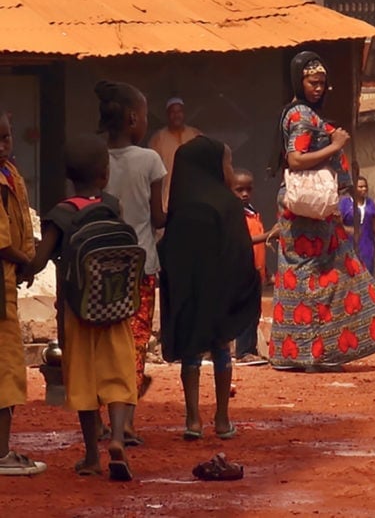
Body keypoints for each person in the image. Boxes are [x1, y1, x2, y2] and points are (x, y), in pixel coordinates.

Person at [270, 51, 375, 369]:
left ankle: (307, 352)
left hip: (310, 210)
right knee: (322, 277)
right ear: (298, 81)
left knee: (308, 277)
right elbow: (295, 160)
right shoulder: (302, 115)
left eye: (322, 83)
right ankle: (314, 352)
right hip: (309, 211)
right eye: (312, 82)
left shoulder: (297, 113)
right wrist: (335, 145)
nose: (318, 88)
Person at [28, 135, 136, 479]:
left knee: (84, 382)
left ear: (68, 177)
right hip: (116, 308)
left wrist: (23, 267)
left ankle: (92, 456)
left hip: (77, 312)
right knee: (118, 375)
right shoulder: (112, 205)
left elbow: (40, 260)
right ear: (104, 175)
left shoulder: (61, 213)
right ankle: (118, 438)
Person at [160, 137, 262, 439]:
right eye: (227, 163)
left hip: (190, 293)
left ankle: (192, 419)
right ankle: (221, 418)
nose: (229, 170)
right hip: (220, 292)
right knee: (221, 350)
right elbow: (239, 249)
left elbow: (171, 251)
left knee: (191, 352)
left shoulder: (181, 204)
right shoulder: (227, 203)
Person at [96, 80, 166, 444]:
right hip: (140, 265)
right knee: (135, 341)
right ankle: (126, 423)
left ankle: (102, 421)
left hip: (100, 264)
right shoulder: (150, 160)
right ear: (133, 117)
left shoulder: (95, 157)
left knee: (103, 342)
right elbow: (157, 218)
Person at [0, 110, 46, 476]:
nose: (3, 145)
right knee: (7, 368)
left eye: (7, 137)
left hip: (10, 279)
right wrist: (28, 262)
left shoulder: (9, 174)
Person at [232, 168, 279, 365]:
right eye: (239, 189)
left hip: (254, 271)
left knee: (254, 312)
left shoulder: (251, 212)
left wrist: (265, 271)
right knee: (244, 312)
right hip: (239, 270)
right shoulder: (232, 214)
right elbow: (243, 240)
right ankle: (243, 351)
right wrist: (270, 233)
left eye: (248, 189)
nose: (245, 194)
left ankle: (249, 349)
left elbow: (258, 247)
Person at [148, 97, 202, 210]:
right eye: (172, 112)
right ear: (167, 115)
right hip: (167, 197)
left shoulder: (196, 135)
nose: (176, 115)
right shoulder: (158, 138)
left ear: (184, 113)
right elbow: (151, 171)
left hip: (194, 196)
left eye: (179, 111)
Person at [340, 176, 375, 275]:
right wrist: (348, 230)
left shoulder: (370, 203)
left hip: (367, 246)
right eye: (360, 187)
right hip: (350, 247)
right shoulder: (345, 203)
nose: (364, 189)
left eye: (365, 186)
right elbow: (337, 224)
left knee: (367, 273)